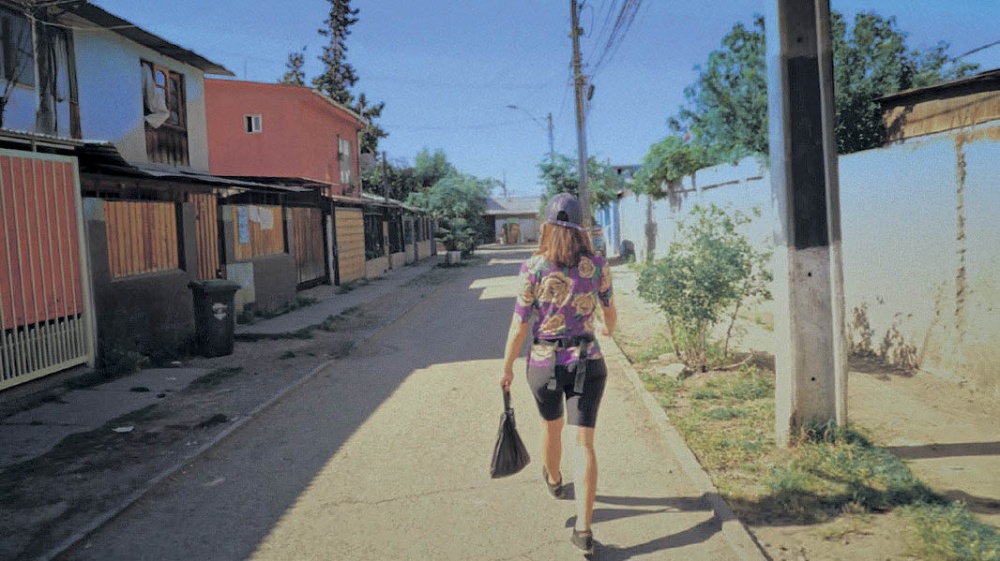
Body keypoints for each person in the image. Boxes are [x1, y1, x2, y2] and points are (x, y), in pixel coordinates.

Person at [499, 193, 617, 553]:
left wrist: (506, 367)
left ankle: (553, 479)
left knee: (551, 428)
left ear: (546, 227)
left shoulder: (533, 268)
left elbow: (520, 325)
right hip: (588, 361)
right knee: (584, 443)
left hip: (544, 363)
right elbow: (610, 312)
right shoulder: (597, 264)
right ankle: (584, 529)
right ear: (581, 227)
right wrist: (607, 328)